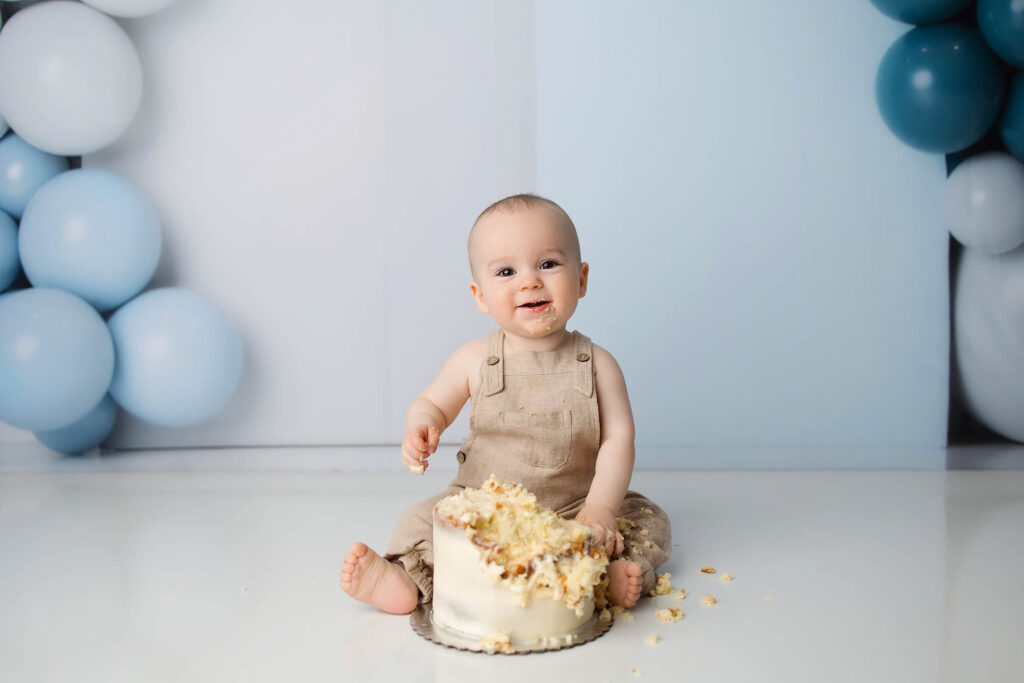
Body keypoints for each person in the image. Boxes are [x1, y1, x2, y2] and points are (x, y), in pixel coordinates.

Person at [339, 194, 671, 615]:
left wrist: (601, 508)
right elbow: (431, 404)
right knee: (421, 520)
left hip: (574, 508)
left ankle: (608, 574)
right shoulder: (474, 359)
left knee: (648, 519)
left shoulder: (598, 364)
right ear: (480, 295)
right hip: (485, 508)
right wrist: (421, 426)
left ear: (582, 279)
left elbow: (620, 438)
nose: (530, 281)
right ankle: (404, 578)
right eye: (506, 271)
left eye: (548, 264)